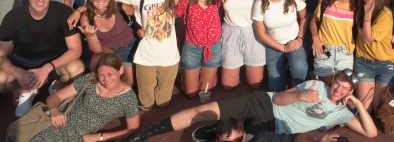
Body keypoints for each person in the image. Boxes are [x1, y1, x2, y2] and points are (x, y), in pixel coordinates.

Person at [123, 69, 377, 142]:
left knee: (245, 139)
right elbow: (278, 98)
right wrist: (301, 97)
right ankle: (142, 136)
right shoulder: (315, 85)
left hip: (274, 128)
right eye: (338, 83)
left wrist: (358, 105)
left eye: (344, 88)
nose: (338, 88)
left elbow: (371, 133)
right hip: (264, 101)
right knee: (203, 110)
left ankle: (223, 130)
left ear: (350, 92)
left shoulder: (342, 112)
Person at [0, 0, 84, 117]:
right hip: (22, 62)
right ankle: (26, 90)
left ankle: (56, 86)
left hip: (54, 62)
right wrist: (18, 73)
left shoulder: (63, 13)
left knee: (78, 69)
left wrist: (46, 68)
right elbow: (1, 56)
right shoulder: (13, 17)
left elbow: (76, 50)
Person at [27, 53, 139, 142]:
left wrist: (99, 137)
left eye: (110, 73)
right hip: (57, 122)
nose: (106, 79)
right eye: (101, 75)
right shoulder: (91, 80)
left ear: (121, 70)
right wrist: (54, 110)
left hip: (80, 136)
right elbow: (55, 96)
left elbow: (132, 130)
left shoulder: (128, 98)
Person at [252, 0, 307, 92]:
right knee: (276, 88)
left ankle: (297, 91)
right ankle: (285, 73)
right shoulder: (260, 3)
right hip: (273, 44)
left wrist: (300, 38)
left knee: (299, 68)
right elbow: (261, 34)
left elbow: (304, 17)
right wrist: (283, 48)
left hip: (293, 40)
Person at [176, 0, 222, 98]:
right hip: (192, 47)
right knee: (191, 94)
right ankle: (188, 76)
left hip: (213, 47)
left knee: (206, 91)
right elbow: (175, 16)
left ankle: (211, 74)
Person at [310, 0, 358, 86]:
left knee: (341, 91)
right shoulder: (326, 0)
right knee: (326, 89)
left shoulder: (356, 6)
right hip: (325, 51)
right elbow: (313, 21)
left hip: (345, 54)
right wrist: (315, 38)